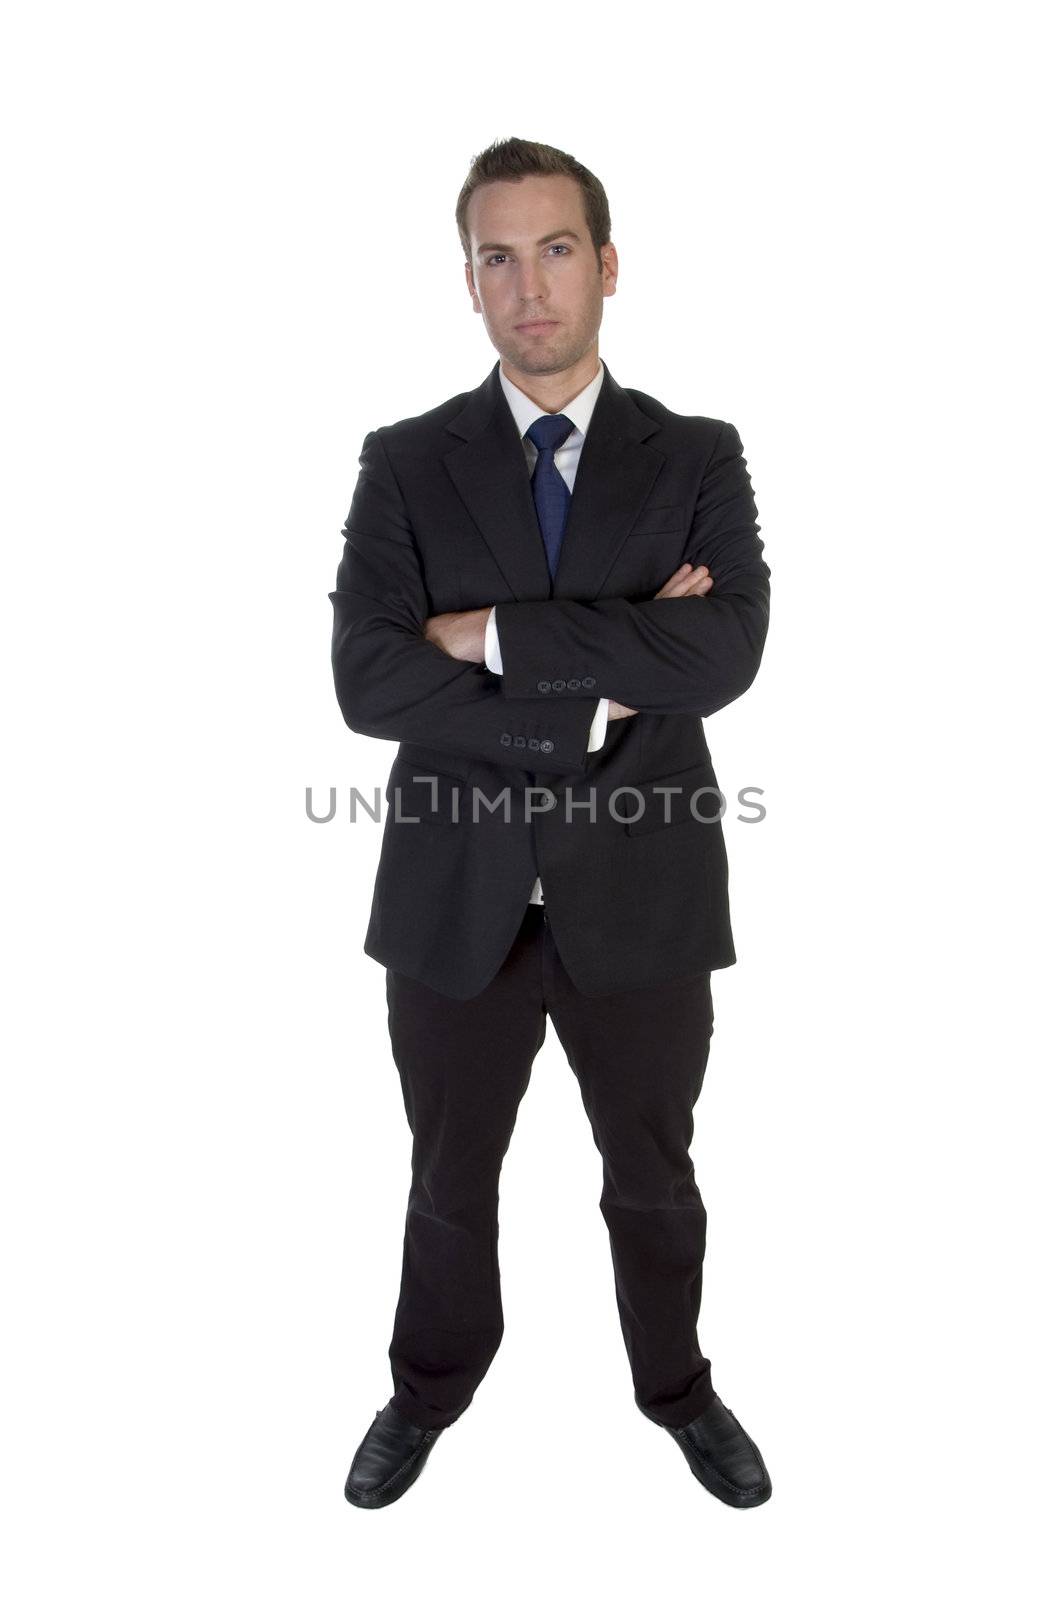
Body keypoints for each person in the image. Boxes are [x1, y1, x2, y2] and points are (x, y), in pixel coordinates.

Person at [329, 136, 772, 1510]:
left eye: (558, 249)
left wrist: (487, 635)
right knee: (448, 1178)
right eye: (498, 257)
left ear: (609, 265)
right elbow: (369, 677)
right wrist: (600, 677)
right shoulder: (406, 463)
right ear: (469, 281)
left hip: (641, 895)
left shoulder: (694, 455)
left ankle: (678, 1391)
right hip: (455, 899)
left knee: (655, 1175)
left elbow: (725, 657)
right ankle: (428, 1388)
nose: (531, 286)